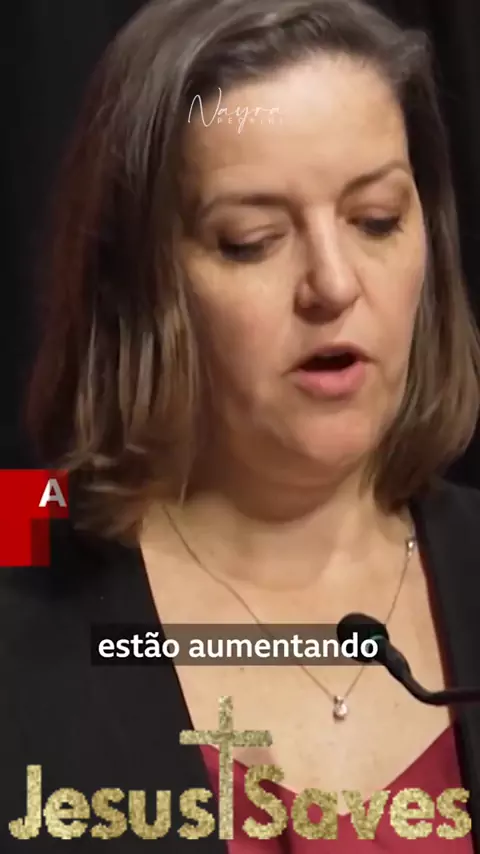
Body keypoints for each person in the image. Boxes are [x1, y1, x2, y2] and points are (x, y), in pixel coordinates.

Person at [2, 0, 480, 850]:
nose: (333, 284)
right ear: (137, 283)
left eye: (376, 220)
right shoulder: (23, 560)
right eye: (251, 240)